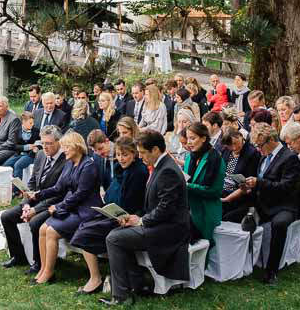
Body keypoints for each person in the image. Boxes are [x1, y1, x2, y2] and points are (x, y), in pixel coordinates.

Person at [103, 130, 191, 305]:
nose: (140, 156)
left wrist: (141, 220)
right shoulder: (162, 166)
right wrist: (136, 217)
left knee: (114, 238)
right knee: (118, 233)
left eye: (143, 152)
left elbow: (166, 208)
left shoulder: (168, 170)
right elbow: (154, 206)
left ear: (156, 150)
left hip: (170, 230)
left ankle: (122, 295)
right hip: (161, 224)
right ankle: (138, 284)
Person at [70, 136, 149, 296]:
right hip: (114, 214)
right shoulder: (120, 169)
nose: (121, 158)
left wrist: (120, 213)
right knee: (84, 226)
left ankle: (103, 279)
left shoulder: (138, 172)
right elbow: (112, 194)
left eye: (125, 155)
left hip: (128, 218)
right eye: (119, 155)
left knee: (86, 233)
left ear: (134, 154)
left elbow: (132, 201)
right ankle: (103, 277)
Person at [228, 123, 300, 284]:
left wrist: (259, 183)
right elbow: (259, 182)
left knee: (279, 224)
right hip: (262, 202)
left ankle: (271, 269)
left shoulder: (289, 158)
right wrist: (247, 187)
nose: (258, 149)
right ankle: (235, 262)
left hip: (283, 205)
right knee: (229, 215)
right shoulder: (264, 155)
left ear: (270, 141)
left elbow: (286, 187)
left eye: (260, 146)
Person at [30, 132, 102, 285]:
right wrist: (38, 195)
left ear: (77, 147)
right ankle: (43, 269)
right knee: (42, 228)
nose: (64, 150)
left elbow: (81, 194)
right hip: (71, 208)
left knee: (51, 231)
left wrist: (58, 206)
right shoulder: (69, 163)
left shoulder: (89, 165)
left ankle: (49, 272)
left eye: (66, 147)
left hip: (85, 211)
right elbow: (58, 187)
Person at [0, 126, 67, 274]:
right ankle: (18, 256)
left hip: (52, 204)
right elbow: (32, 182)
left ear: (58, 142)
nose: (45, 147)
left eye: (49, 143)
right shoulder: (41, 155)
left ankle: (38, 262)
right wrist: (25, 204)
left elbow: (59, 194)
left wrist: (35, 210)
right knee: (6, 217)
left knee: (35, 222)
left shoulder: (65, 160)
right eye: (43, 143)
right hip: (34, 200)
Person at [183, 123, 224, 246]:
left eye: (193, 138)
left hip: (206, 211)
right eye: (188, 138)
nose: (189, 142)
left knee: (203, 249)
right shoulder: (189, 157)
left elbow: (215, 191)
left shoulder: (216, 159)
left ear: (203, 138)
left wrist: (188, 186)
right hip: (188, 209)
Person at [219, 128, 261, 217]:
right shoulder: (226, 151)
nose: (234, 147)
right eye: (230, 145)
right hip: (223, 190)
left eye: (235, 143)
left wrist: (227, 199)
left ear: (241, 137)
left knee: (225, 217)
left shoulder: (252, 153)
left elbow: (248, 184)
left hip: (241, 195)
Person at [4, 111, 40, 184]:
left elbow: (39, 143)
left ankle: (17, 189)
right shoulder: (17, 131)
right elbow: (13, 146)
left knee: (18, 165)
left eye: (33, 122)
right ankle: (7, 185)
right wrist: (26, 147)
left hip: (31, 155)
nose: (32, 125)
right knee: (6, 165)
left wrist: (37, 148)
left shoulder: (36, 131)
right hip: (19, 154)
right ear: (23, 122)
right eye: (30, 123)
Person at [0, 96, 23, 166]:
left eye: (0, 106)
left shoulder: (14, 119)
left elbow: (11, 142)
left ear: (6, 107)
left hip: (8, 149)